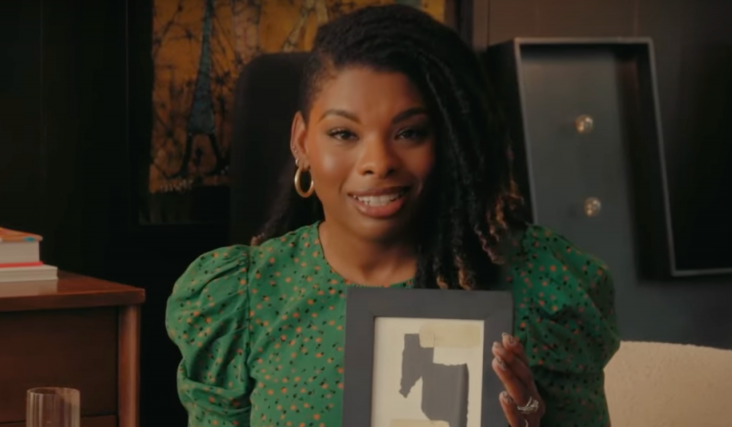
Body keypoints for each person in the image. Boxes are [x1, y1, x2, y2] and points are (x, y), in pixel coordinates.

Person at [165, 4, 619, 427]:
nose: (378, 161)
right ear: (302, 142)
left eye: (409, 132)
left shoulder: (539, 286)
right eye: (344, 133)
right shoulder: (241, 300)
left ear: (449, 143)